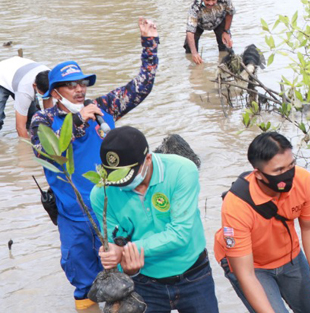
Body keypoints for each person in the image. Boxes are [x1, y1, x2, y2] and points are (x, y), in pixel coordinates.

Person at [29, 17, 158, 309]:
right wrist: (76, 123)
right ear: (56, 91)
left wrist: (150, 44)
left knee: (129, 277)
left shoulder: (103, 108)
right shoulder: (44, 120)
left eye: (82, 83)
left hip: (113, 212)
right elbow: (41, 150)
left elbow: (140, 87)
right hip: (74, 217)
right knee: (84, 283)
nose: (79, 90)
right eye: (71, 85)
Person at [91, 126, 219, 313]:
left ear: (148, 159)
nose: (122, 186)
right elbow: (115, 243)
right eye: (115, 179)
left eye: (126, 178)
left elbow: (180, 234)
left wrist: (126, 251)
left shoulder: (182, 171)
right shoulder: (101, 194)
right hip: (144, 282)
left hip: (194, 275)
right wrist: (121, 263)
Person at [214, 132, 310, 313]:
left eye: (291, 165)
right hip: (253, 267)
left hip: (290, 256)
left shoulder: (303, 180)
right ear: (259, 174)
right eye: (278, 171)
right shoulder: (236, 206)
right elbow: (246, 275)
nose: (288, 175)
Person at [184, 0, 235, 64]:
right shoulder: (195, 7)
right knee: (190, 49)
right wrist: (194, 53)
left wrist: (226, 31)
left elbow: (230, 13)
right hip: (200, 24)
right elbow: (190, 32)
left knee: (226, 48)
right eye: (207, 0)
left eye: (214, 0)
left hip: (219, 21)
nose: (211, 3)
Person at [0, 55, 49, 138]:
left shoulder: (52, 80)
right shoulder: (25, 89)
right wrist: (27, 147)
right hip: (2, 74)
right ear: (34, 86)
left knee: (34, 118)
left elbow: (49, 112)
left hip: (20, 71)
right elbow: (19, 127)